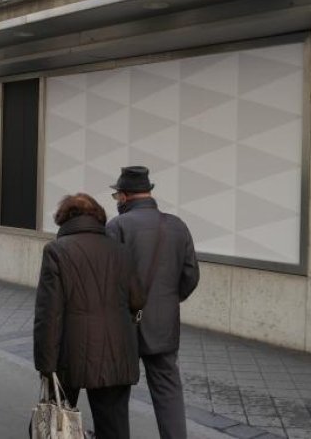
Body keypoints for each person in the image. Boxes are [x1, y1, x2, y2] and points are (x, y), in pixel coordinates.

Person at [34, 193, 146, 439]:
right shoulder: (121, 250)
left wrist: (45, 365)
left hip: (69, 353)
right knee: (114, 424)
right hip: (116, 351)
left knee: (59, 421)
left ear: (63, 219)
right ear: (99, 218)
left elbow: (48, 314)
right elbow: (138, 300)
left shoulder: (56, 251)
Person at [105, 166, 199, 439]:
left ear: (123, 196)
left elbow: (109, 280)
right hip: (164, 323)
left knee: (115, 391)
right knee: (168, 389)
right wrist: (169, 300)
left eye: (117, 197)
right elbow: (191, 275)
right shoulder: (177, 226)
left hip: (124, 324)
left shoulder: (117, 226)